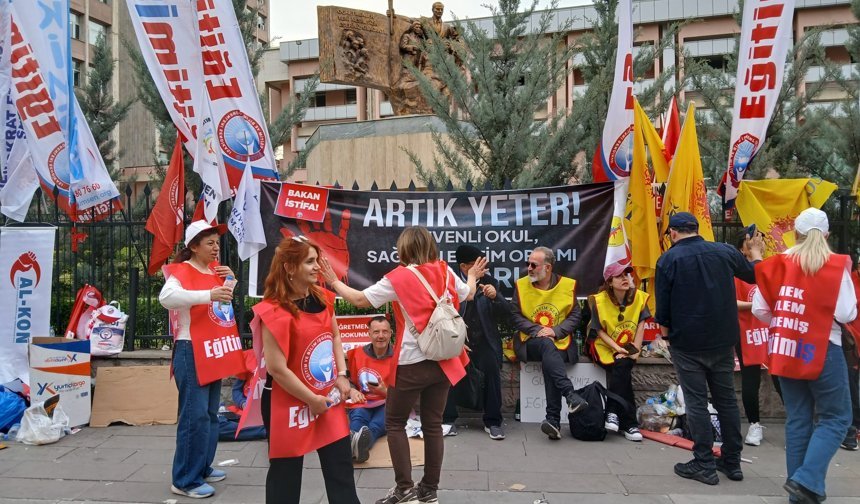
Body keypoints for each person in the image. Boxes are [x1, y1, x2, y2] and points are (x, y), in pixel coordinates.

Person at [321, 226, 487, 504]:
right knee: (433, 425)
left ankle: (405, 489)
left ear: (404, 249)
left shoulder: (398, 278)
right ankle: (429, 491)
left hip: (412, 362)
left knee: (395, 423)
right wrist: (471, 276)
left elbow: (360, 300)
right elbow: (468, 293)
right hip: (444, 361)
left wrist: (333, 281)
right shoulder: (445, 270)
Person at [752, 208, 856, 503]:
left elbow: (761, 310)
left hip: (786, 349)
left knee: (798, 419)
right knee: (836, 418)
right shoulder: (834, 266)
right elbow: (847, 312)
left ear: (794, 233)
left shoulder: (777, 265)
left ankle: (800, 492)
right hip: (824, 349)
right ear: (826, 235)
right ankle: (807, 480)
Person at [655, 212, 762, 485]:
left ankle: (704, 463)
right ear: (696, 229)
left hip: (687, 343)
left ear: (674, 233)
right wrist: (756, 253)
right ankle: (732, 460)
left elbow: (663, 308)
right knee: (726, 400)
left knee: (697, 403)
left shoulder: (668, 259)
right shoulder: (724, 251)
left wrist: (666, 336)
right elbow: (755, 275)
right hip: (723, 340)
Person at [251, 235, 359, 504]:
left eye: (316, 261)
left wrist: (343, 375)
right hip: (287, 401)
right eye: (309, 262)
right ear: (289, 267)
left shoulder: (323, 299)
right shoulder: (273, 310)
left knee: (341, 470)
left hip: (327, 397)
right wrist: (311, 400)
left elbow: (334, 337)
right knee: (285, 477)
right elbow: (276, 368)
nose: (316, 267)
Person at [159, 220, 246, 499]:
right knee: (193, 416)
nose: (215, 247)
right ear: (193, 247)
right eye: (209, 243)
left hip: (212, 349)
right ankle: (184, 479)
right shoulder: (181, 271)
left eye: (217, 243)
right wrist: (208, 293)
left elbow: (223, 303)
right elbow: (167, 297)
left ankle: (203, 467)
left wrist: (230, 279)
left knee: (209, 414)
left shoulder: (213, 270)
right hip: (191, 348)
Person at [509, 246, 588, 441]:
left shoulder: (567, 285)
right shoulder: (521, 285)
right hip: (530, 342)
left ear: (548, 268)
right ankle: (570, 394)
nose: (528, 268)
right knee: (546, 346)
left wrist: (555, 331)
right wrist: (537, 330)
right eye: (527, 264)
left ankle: (553, 420)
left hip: (559, 341)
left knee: (551, 358)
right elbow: (514, 314)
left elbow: (575, 314)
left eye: (533, 265)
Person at [442, 245, 509, 440]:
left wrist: (496, 297)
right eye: (476, 265)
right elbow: (444, 313)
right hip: (456, 340)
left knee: (491, 368)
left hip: (484, 340)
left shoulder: (490, 282)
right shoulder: (450, 282)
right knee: (449, 370)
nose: (483, 269)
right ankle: (447, 420)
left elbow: (507, 314)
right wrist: (456, 341)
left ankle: (493, 422)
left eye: (483, 264)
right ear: (463, 266)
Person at [733, 227, 782, 447]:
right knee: (750, 378)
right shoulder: (734, 270)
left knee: (781, 376)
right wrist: (758, 306)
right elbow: (731, 302)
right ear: (743, 246)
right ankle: (754, 424)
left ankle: (798, 425)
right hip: (747, 331)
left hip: (773, 330)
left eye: (760, 238)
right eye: (753, 239)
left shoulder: (771, 266)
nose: (758, 242)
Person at [586, 263, 647, 442]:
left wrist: (634, 352)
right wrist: (617, 348)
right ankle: (629, 424)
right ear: (609, 282)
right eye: (619, 275)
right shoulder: (599, 300)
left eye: (627, 274)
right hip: (604, 345)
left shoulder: (640, 297)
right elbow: (598, 330)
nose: (625, 278)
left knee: (623, 364)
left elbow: (641, 325)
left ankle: (612, 411)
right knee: (622, 366)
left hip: (629, 345)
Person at [346, 316, 395, 463]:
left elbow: (406, 393)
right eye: (376, 332)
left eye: (385, 331)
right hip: (363, 400)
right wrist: (352, 391)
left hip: (388, 401)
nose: (381, 336)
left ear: (391, 333)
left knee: (377, 425)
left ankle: (352, 448)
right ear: (369, 334)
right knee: (358, 418)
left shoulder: (400, 357)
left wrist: (384, 392)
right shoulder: (356, 354)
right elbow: (348, 381)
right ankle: (355, 445)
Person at [840, 252, 860, 452]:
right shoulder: (851, 280)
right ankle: (851, 431)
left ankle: (851, 431)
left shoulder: (848, 281)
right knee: (852, 385)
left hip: (850, 342)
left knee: (850, 387)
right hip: (853, 342)